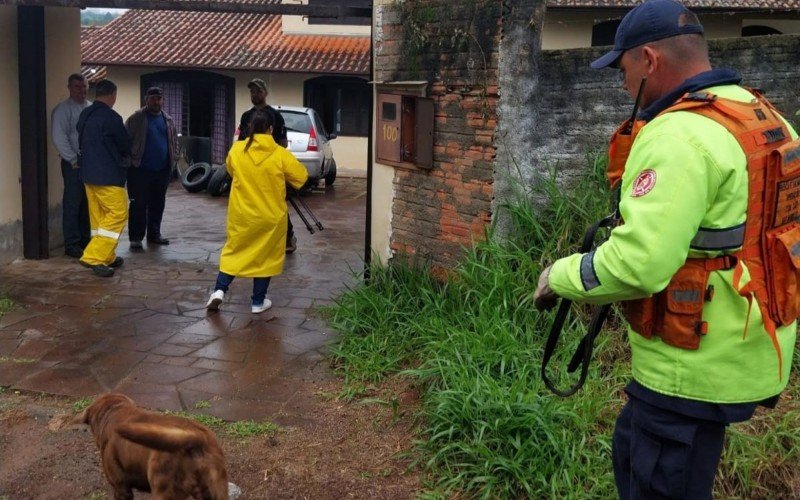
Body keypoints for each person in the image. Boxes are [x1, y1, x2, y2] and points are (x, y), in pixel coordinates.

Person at [532, 1, 799, 498]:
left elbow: (638, 265)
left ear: (649, 60)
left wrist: (560, 275)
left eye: (622, 66)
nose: (620, 81)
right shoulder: (761, 114)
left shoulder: (679, 134)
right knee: (636, 450)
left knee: (657, 480)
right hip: (749, 344)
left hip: (689, 366)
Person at [206, 109, 308, 313]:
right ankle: (257, 302)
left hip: (242, 216)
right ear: (271, 129)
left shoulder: (237, 150)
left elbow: (231, 169)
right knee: (265, 258)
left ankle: (219, 291)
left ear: (249, 129)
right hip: (270, 217)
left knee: (234, 252)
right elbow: (301, 177)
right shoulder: (280, 154)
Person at [77, 79, 132, 278]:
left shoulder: (85, 113)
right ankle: (94, 256)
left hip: (88, 174)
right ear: (112, 95)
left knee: (98, 218)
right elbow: (125, 145)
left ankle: (106, 256)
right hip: (109, 175)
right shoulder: (112, 118)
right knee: (118, 213)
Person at [237, 78, 298, 254]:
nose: (254, 94)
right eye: (252, 91)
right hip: (251, 169)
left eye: (258, 91)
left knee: (276, 204)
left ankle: (288, 237)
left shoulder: (275, 116)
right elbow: (242, 143)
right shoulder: (246, 117)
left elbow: (283, 143)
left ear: (265, 93)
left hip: (271, 169)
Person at [125, 86, 178, 251]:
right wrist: (130, 161)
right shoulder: (136, 118)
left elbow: (174, 141)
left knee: (158, 204)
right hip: (139, 170)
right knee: (138, 205)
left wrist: (174, 159)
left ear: (163, 100)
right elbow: (126, 140)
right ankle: (135, 238)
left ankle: (154, 234)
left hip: (162, 170)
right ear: (146, 99)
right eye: (153, 98)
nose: (156, 101)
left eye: (159, 98)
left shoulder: (167, 120)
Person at [51, 73, 91, 258]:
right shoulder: (63, 110)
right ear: (69, 87)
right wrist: (73, 160)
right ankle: (72, 243)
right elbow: (59, 137)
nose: (81, 90)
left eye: (84, 86)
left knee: (87, 205)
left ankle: (86, 240)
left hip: (90, 165)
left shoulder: (91, 108)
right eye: (77, 86)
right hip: (73, 165)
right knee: (73, 204)